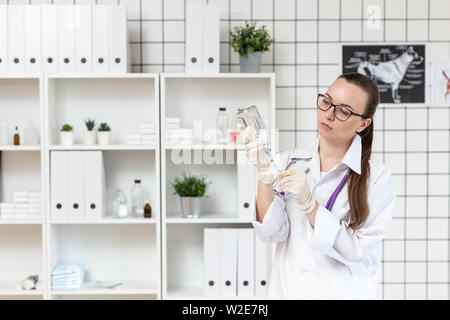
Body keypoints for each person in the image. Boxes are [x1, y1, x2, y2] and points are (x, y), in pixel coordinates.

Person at [239, 72, 396, 299]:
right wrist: (264, 177)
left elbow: (357, 250)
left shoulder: (377, 178)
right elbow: (271, 233)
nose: (329, 114)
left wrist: (310, 206)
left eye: (343, 110)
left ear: (363, 123)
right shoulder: (288, 162)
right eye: (326, 102)